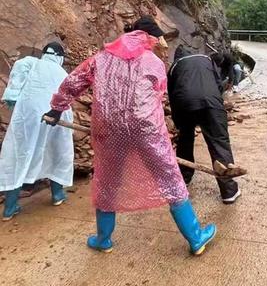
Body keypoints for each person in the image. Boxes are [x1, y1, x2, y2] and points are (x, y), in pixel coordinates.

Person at [43, 16, 216, 255]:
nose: (158, 44)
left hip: (109, 129)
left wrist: (56, 108)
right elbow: (159, 94)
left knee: (107, 181)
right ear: (149, 38)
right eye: (157, 40)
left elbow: (74, 81)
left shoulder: (101, 59)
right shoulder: (153, 61)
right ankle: (196, 238)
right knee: (170, 179)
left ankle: (103, 240)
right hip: (146, 129)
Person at [0, 43, 73, 221]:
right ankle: (57, 195)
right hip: (57, 118)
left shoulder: (30, 63)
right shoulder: (62, 73)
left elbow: (18, 72)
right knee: (57, 153)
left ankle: (9, 208)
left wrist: (11, 96)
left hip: (28, 119)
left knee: (19, 155)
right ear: (60, 57)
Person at [168, 46, 240, 204]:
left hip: (183, 104)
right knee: (219, 142)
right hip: (210, 102)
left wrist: (178, 123)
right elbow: (217, 85)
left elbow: (173, 96)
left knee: (185, 141)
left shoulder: (174, 67)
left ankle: (184, 179)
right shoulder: (206, 59)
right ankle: (229, 192)